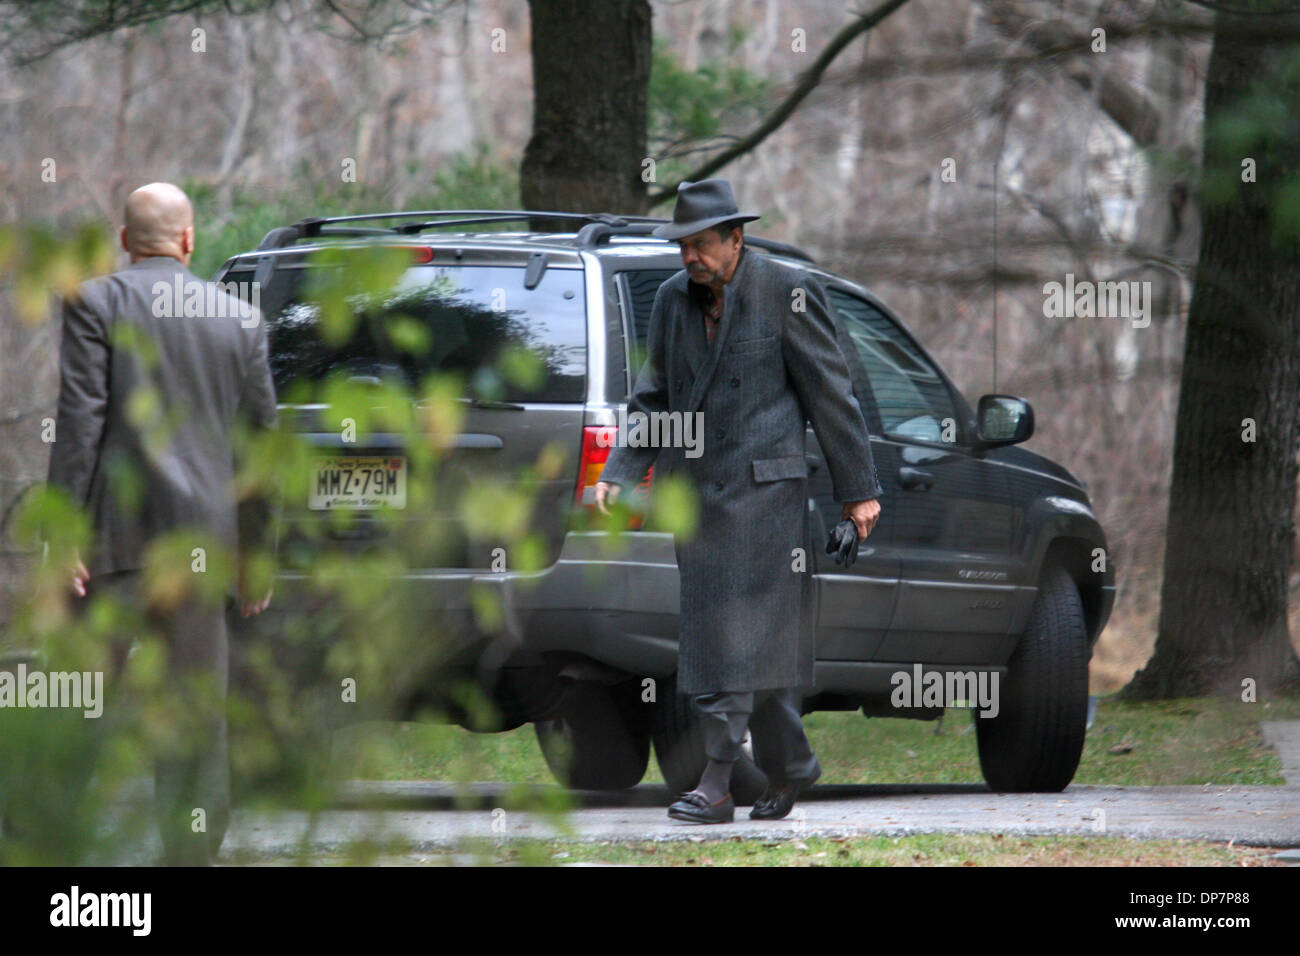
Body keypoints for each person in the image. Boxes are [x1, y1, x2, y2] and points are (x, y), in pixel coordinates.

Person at [595, 178, 882, 823]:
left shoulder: (787, 291)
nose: (691, 257)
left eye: (702, 245)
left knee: (733, 642)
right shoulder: (672, 301)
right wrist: (621, 469)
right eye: (683, 246)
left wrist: (858, 494)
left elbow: (831, 395)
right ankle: (794, 767)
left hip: (768, 501)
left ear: (736, 239)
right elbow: (654, 396)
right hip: (693, 502)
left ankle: (717, 784)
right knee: (738, 648)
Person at [45, 182, 277, 863]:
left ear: (124, 240)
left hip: (111, 546)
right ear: (188, 239)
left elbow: (80, 425)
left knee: (78, 704)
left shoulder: (94, 302)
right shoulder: (240, 320)